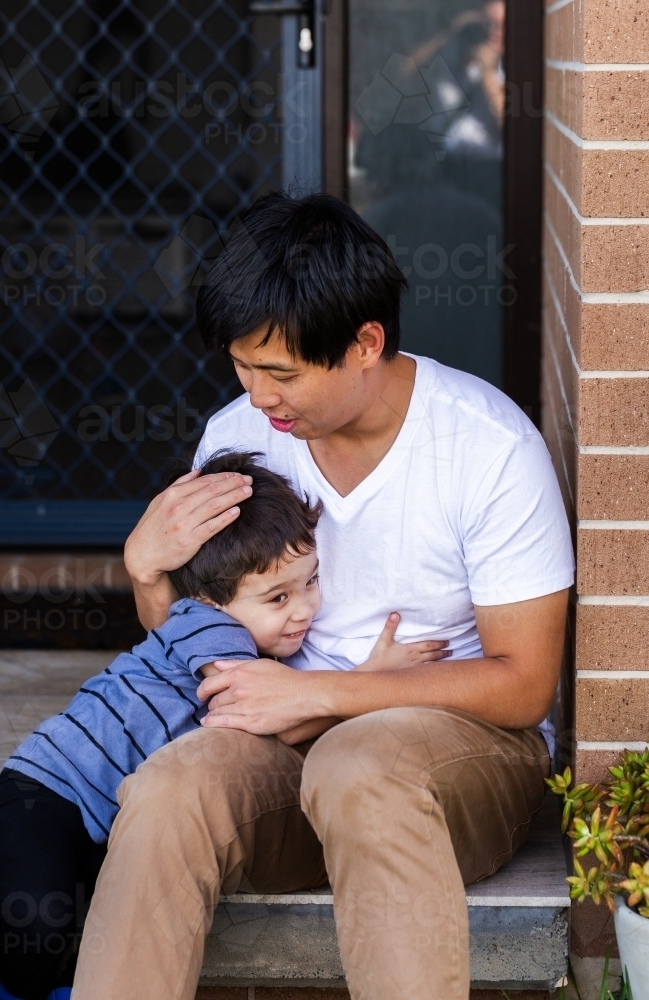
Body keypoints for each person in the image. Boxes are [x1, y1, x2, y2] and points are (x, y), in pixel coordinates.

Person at [72, 191, 574, 1000]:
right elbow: (192, 642)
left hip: (450, 752)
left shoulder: (487, 447)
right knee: (166, 790)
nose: (258, 396)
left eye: (280, 372)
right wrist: (146, 573)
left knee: (356, 762)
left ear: (364, 343)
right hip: (279, 745)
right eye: (241, 366)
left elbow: (523, 685)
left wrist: (321, 696)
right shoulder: (236, 441)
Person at [0, 452, 334, 1000]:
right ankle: (15, 992)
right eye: (278, 597)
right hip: (42, 797)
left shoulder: (252, 639)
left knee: (112, 916)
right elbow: (247, 704)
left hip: (109, 817)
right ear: (210, 598)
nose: (304, 610)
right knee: (42, 919)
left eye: (311, 582)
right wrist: (376, 678)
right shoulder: (205, 626)